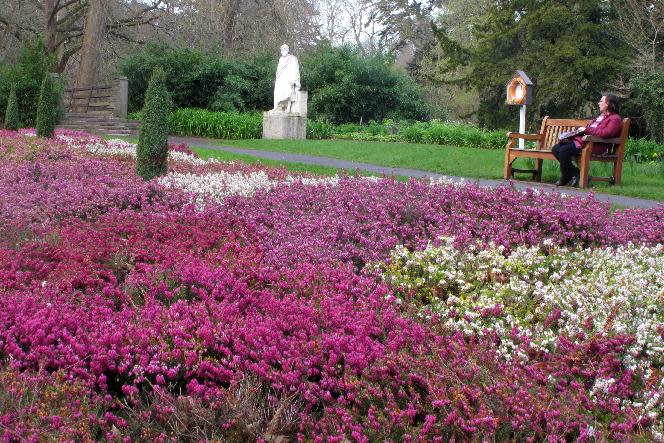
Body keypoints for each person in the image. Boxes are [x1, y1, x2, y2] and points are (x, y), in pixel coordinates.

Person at [551, 94, 622, 187]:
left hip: (595, 145)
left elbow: (606, 133)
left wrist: (586, 130)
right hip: (585, 142)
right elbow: (591, 129)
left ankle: (566, 176)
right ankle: (575, 173)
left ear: (608, 104)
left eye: (601, 101)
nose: (599, 103)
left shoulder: (615, 118)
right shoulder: (601, 116)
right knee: (556, 148)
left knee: (564, 150)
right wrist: (578, 132)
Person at [273, 44, 300, 112]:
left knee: (288, 93)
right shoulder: (280, 59)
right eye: (282, 49)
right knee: (279, 93)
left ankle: (288, 109)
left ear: (288, 50)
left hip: (288, 79)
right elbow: (278, 70)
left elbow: (295, 69)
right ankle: (279, 107)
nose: (283, 50)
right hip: (280, 79)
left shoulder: (293, 58)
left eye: (285, 49)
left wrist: (294, 80)